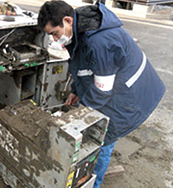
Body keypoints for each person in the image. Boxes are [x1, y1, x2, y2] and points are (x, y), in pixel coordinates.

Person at [38, 1, 165, 188]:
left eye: (54, 33)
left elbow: (102, 91)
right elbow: (84, 67)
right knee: (96, 126)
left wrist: (78, 117)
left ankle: (93, 184)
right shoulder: (80, 28)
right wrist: (76, 91)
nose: (55, 40)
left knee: (103, 137)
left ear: (66, 20)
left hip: (133, 94)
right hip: (117, 85)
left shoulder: (100, 42)